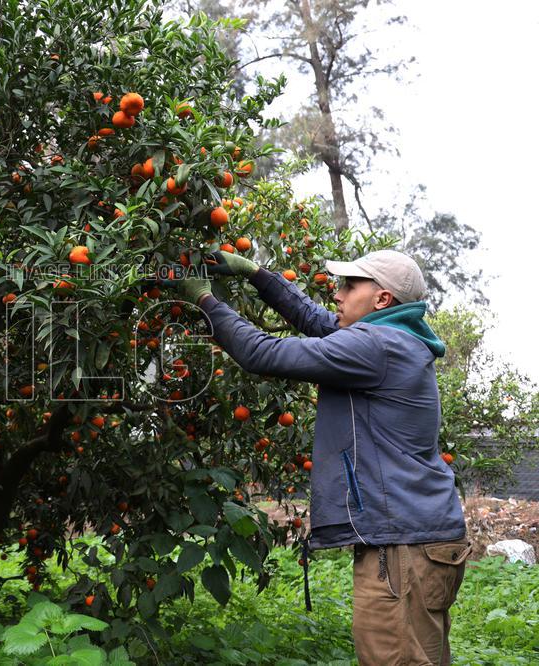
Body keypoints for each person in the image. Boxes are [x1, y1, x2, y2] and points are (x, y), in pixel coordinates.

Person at [169, 249, 470, 666]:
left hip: (401, 547)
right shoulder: (397, 337)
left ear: (382, 299)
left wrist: (203, 299)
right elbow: (316, 320)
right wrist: (256, 273)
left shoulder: (375, 346)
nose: (338, 294)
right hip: (420, 539)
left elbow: (262, 353)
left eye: (350, 285)